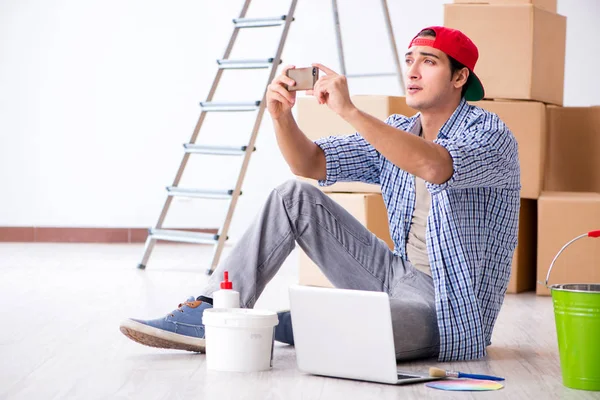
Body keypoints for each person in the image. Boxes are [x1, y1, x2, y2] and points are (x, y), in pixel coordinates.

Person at [120, 26, 520, 362]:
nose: (413, 70)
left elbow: (435, 166)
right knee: (294, 195)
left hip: (449, 307)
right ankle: (212, 312)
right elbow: (309, 164)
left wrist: (350, 111)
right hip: (394, 275)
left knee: (328, 325)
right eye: (410, 59)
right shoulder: (400, 129)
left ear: (459, 77)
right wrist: (281, 118)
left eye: (429, 61)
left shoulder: (490, 134)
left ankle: (299, 324)